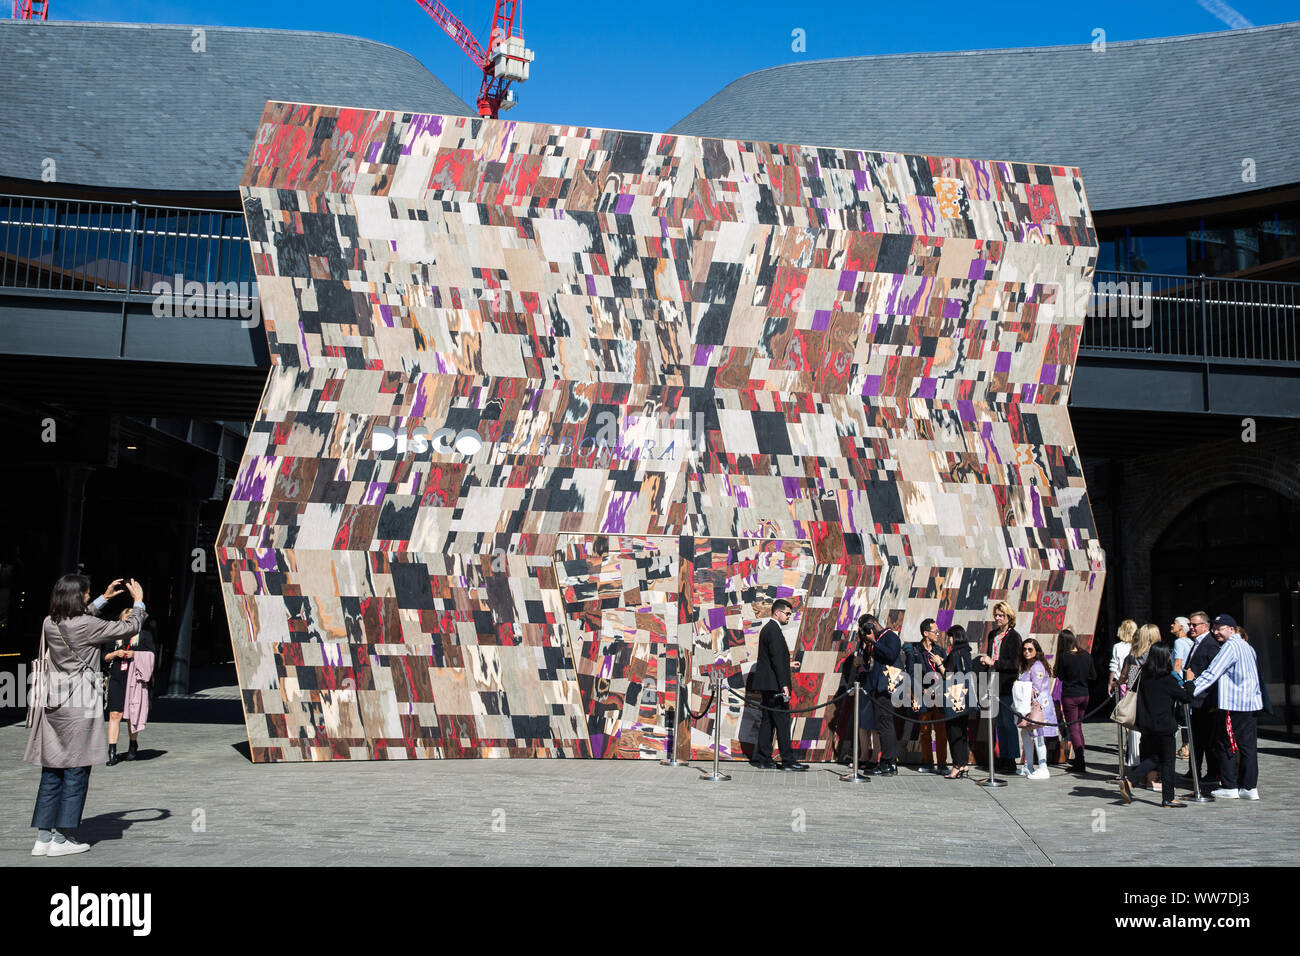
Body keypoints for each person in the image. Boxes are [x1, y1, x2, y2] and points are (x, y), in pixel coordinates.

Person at [24, 575, 146, 857]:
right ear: (77, 598)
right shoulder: (88, 625)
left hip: (54, 705)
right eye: (88, 595)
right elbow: (130, 626)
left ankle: (43, 837)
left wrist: (105, 597)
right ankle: (64, 836)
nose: (90, 599)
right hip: (80, 705)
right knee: (76, 769)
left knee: (52, 768)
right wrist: (138, 600)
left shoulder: (50, 622)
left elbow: (80, 620)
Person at [1186, 614, 1262, 800]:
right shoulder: (1247, 646)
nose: (1216, 632)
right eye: (1215, 628)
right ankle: (1249, 787)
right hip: (1250, 703)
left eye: (1220, 628)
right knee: (1247, 747)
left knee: (1225, 743)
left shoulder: (1230, 646)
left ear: (1232, 629)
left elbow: (1212, 672)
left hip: (1234, 703)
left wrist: (1190, 688)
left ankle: (1230, 786)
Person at [1118, 644, 1195, 808]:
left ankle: (1130, 780)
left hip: (1146, 724)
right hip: (1164, 726)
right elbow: (1187, 697)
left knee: (1155, 758)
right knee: (1167, 761)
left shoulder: (1143, 674)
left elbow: (1131, 686)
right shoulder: (1168, 679)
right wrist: (1189, 681)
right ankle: (1168, 798)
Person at [750, 599, 808, 771]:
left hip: (768, 685)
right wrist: (784, 684)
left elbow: (772, 658)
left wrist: (788, 664)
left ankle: (763, 758)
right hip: (775, 685)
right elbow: (775, 658)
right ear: (777, 612)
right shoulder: (774, 631)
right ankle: (788, 761)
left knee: (768, 721)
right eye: (787, 613)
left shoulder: (768, 629)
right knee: (782, 721)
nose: (789, 616)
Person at [975, 601, 1022, 775]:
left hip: (1006, 683)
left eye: (1001, 615)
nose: (997, 618)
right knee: (997, 723)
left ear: (1009, 617)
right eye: (996, 615)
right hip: (992, 681)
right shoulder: (993, 634)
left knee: (1008, 722)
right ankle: (1002, 755)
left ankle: (1011, 758)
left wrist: (994, 662)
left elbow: (1014, 664)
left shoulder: (1014, 637)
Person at [104, 608, 156, 765]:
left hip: (135, 680)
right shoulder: (113, 637)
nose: (128, 624)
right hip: (117, 679)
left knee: (131, 714)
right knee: (115, 714)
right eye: (125, 620)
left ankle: (133, 744)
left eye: (130, 621)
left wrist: (134, 655)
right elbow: (104, 657)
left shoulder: (144, 636)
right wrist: (115, 654)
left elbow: (152, 656)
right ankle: (112, 751)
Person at [1182, 611, 1221, 785]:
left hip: (1206, 700)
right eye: (1190, 624)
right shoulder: (1197, 643)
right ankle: (1194, 770)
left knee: (1207, 739)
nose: (1191, 627)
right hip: (1196, 699)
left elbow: (1214, 675)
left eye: (1194, 625)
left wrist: (1213, 701)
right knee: (1196, 737)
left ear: (1205, 625)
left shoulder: (1211, 644)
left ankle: (1213, 773)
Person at [864, 613, 904, 776]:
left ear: (874, 623)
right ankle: (887, 761)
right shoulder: (875, 641)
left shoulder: (891, 636)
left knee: (885, 723)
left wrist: (874, 642)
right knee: (882, 724)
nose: (867, 630)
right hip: (877, 687)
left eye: (868, 627)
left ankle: (889, 762)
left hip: (887, 686)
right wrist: (868, 645)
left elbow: (891, 654)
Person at [1015, 637, 1058, 779]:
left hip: (1039, 706)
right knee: (1026, 734)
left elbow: (1036, 688)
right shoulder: (1028, 666)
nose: (1026, 652)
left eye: (1030, 649)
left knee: (1039, 736)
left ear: (1036, 651)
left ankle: (1043, 766)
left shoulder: (1037, 666)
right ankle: (1029, 765)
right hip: (1030, 705)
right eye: (1024, 649)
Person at [1054, 630, 1095, 773]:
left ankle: (1080, 760)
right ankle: (1080, 756)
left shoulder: (1064, 657)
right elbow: (1093, 675)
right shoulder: (1086, 655)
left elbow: (1059, 675)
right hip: (1084, 694)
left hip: (1070, 695)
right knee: (1078, 726)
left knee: (1073, 728)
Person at [1123, 624, 1160, 777]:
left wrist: (1118, 683)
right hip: (1155, 698)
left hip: (1139, 697)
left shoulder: (1134, 655)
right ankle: (1151, 773)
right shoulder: (1160, 654)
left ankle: (1138, 766)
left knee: (1138, 733)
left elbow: (1128, 678)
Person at [914, 619, 949, 774]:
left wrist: (940, 663)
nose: (938, 634)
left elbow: (948, 673)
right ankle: (928, 762)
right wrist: (921, 691)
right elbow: (913, 674)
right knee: (925, 731)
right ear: (925, 633)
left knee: (941, 732)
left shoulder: (940, 651)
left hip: (940, 695)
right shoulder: (916, 651)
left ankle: (942, 763)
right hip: (924, 695)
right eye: (935, 631)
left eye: (938, 631)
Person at [942, 625, 975, 779]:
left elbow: (949, 676)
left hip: (955, 695)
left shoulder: (956, 653)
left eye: (950, 636)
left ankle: (956, 765)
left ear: (955, 637)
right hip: (966, 697)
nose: (949, 640)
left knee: (953, 731)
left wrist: (940, 664)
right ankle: (963, 764)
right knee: (962, 731)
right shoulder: (966, 652)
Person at [1171, 616, 1194, 758]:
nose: (1172, 625)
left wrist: (1174, 681)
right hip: (1188, 681)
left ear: (1181, 627)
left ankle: (1186, 746)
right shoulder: (1190, 642)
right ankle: (1186, 745)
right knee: (1186, 715)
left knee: (1181, 715)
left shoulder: (1179, 642)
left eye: (1175, 623)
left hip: (1180, 682)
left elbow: (1178, 664)